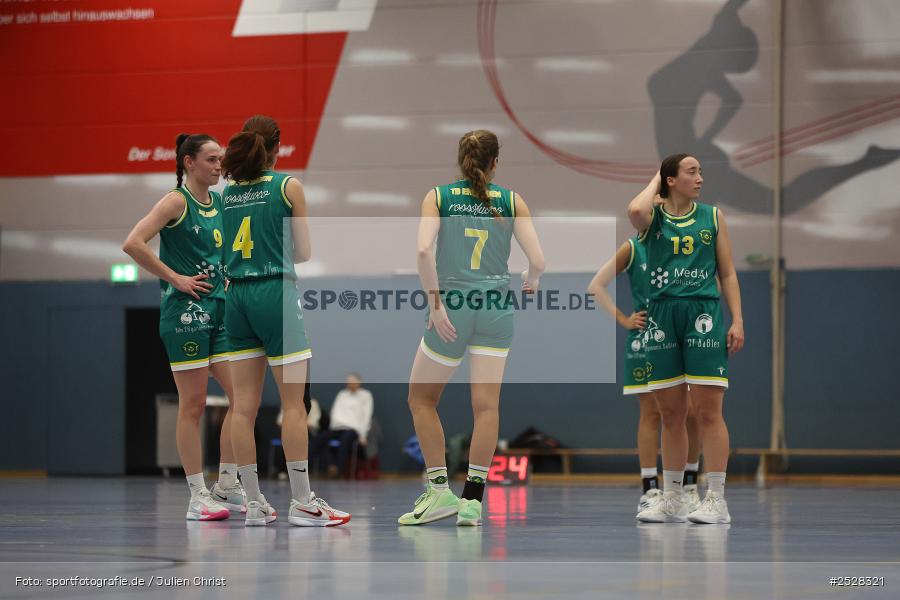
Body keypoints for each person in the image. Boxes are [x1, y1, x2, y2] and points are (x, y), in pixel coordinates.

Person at [398, 130, 545, 527]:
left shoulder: (439, 196)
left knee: (421, 399)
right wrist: (530, 279)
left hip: (455, 307)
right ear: (495, 162)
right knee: (486, 407)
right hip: (497, 308)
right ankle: (474, 500)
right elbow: (539, 259)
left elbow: (424, 250)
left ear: (461, 160)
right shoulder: (513, 201)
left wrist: (435, 304)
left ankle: (440, 490)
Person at [220, 115, 350, 527]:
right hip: (274, 292)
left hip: (235, 296)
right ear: (278, 147)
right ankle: (302, 501)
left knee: (242, 408)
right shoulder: (287, 186)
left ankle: (255, 504)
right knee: (294, 404)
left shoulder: (227, 194)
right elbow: (305, 252)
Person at [123, 133, 244, 521]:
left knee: (242, 398)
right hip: (186, 315)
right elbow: (133, 242)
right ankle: (197, 496)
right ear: (189, 162)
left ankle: (227, 485)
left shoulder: (222, 201)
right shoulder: (176, 201)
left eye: (220, 159)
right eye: (210, 159)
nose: (218, 165)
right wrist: (175, 277)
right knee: (192, 404)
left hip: (221, 311)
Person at [627, 154, 744, 524]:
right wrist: (656, 178)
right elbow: (634, 209)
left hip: (702, 313)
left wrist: (737, 319)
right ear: (671, 179)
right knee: (671, 414)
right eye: (692, 171)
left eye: (700, 170)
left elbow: (727, 272)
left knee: (708, 411)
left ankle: (717, 500)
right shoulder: (654, 219)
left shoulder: (713, 216)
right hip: (662, 316)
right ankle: (673, 496)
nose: (700, 178)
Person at [588, 237, 702, 518]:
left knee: (690, 412)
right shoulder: (633, 247)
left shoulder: (685, 240)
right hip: (647, 338)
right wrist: (623, 319)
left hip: (682, 332)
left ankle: (689, 488)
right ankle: (650, 490)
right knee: (651, 413)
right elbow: (595, 287)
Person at [312, 373, 374, 478]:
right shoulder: (342, 394)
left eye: (352, 382)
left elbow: (366, 416)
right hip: (337, 428)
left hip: (353, 429)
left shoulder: (366, 395)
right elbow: (335, 412)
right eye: (348, 382)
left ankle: (338, 469)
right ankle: (316, 467)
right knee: (321, 438)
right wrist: (332, 428)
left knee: (345, 441)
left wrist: (363, 435)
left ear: (359, 382)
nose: (350, 384)